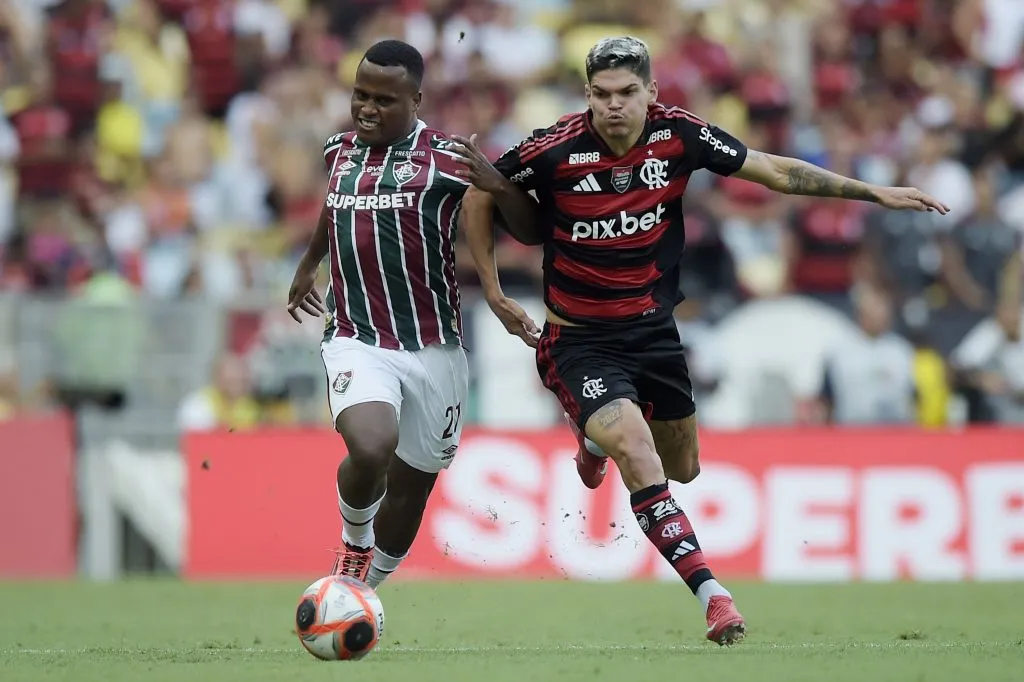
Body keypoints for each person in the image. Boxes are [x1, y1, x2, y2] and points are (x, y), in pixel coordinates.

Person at [456, 36, 949, 645]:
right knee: (637, 450)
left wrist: (872, 192)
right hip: (579, 340)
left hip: (654, 332)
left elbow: (776, 170)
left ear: (651, 92)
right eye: (602, 95)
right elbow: (483, 191)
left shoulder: (679, 135)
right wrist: (497, 292)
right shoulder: (553, 148)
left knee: (682, 467)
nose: (615, 106)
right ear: (587, 96)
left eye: (628, 93)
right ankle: (713, 595)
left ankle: (590, 435)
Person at [286, 39, 535, 588]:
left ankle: (360, 592)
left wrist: (497, 193)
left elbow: (524, 226)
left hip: (434, 345)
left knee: (414, 483)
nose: (367, 109)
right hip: (357, 335)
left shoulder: (448, 159)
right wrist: (309, 263)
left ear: (415, 100)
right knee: (371, 447)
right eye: (360, 95)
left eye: (384, 99)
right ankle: (354, 547)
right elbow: (334, 205)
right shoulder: (339, 150)